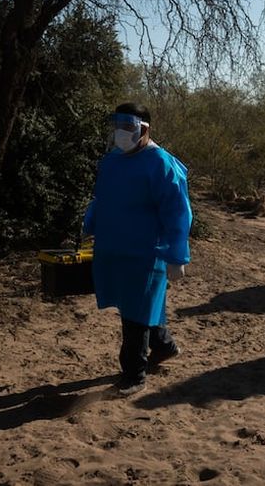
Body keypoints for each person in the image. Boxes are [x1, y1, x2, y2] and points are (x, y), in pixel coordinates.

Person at [83, 103, 192, 396]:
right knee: (137, 307)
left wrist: (176, 254)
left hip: (147, 253)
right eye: (118, 127)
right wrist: (90, 224)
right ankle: (165, 346)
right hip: (114, 248)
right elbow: (102, 198)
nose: (122, 134)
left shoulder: (161, 164)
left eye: (128, 127)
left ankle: (134, 375)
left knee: (135, 312)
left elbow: (178, 212)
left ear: (145, 129)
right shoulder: (111, 161)